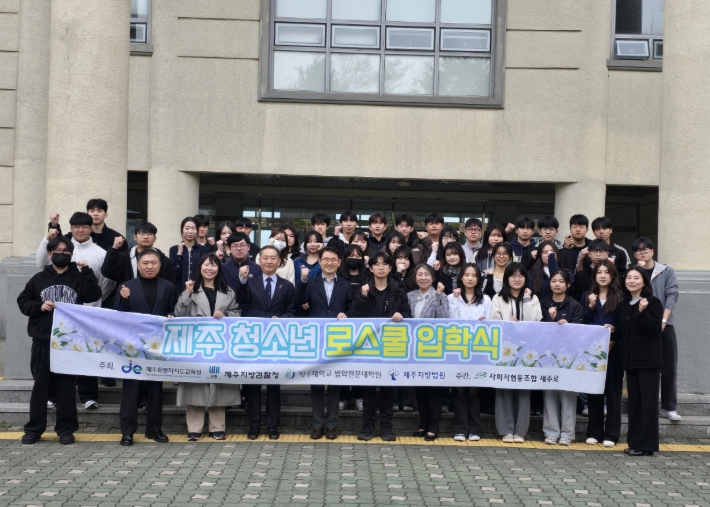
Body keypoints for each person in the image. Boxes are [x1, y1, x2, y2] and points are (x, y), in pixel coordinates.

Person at [18, 235, 102, 445]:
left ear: (71, 254)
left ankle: (66, 429)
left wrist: (87, 271)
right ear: (49, 253)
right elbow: (23, 301)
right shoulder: (38, 279)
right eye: (58, 251)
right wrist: (39, 306)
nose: (62, 255)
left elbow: (93, 295)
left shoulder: (79, 277)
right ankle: (34, 429)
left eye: (66, 252)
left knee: (66, 387)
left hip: (68, 343)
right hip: (42, 341)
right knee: (40, 387)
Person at [36, 212, 115, 409]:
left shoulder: (100, 253)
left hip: (88, 314)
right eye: (76, 226)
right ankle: (52, 396)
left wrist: (91, 301)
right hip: (60, 316)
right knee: (57, 356)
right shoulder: (62, 247)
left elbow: (105, 284)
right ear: (71, 228)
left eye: (85, 226)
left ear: (91, 228)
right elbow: (41, 264)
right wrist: (47, 238)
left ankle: (89, 396)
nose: (80, 230)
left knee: (86, 354)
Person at [174, 254, 241, 441]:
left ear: (219, 269)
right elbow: (179, 314)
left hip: (220, 345)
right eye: (206, 265)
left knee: (219, 384)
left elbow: (237, 312)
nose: (209, 269)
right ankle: (194, 428)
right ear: (199, 267)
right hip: (197, 344)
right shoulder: (190, 288)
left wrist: (226, 316)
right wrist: (187, 294)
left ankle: (217, 427)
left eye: (213, 265)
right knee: (195, 385)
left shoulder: (227, 291)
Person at [114, 249, 176, 446]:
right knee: (131, 389)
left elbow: (173, 310)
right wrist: (123, 299)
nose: (150, 266)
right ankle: (127, 432)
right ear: (138, 265)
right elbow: (117, 316)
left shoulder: (168, 287)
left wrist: (172, 316)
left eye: (154, 263)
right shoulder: (126, 287)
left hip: (157, 347)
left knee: (155, 388)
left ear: (160, 265)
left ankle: (154, 428)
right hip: (133, 347)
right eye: (145, 263)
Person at [350, 252, 412, 442]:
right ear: (370, 268)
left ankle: (386, 427)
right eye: (376, 264)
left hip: (390, 347)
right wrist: (362, 297)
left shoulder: (398, 291)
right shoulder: (363, 289)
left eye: (385, 264)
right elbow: (354, 316)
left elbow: (408, 315)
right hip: (368, 347)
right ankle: (367, 427)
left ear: (390, 268)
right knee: (368, 390)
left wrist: (402, 316)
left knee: (387, 390)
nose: (381, 267)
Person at [237, 246, 296, 440]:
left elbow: (291, 312)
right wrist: (242, 281)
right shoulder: (249, 282)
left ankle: (273, 426)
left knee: (273, 386)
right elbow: (241, 304)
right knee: (253, 385)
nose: (269, 261)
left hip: (275, 343)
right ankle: (254, 426)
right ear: (259, 261)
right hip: (253, 341)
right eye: (265, 258)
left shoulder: (287, 286)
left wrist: (281, 319)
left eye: (273, 258)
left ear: (279, 261)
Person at [297, 246, 352, 440]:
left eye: (333, 259)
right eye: (326, 259)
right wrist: (302, 281)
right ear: (319, 262)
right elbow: (299, 301)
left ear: (339, 262)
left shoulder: (346, 285)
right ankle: (317, 425)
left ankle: (332, 425)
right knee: (317, 384)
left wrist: (346, 314)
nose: (329, 263)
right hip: (317, 339)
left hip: (338, 339)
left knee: (335, 382)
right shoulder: (310, 283)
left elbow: (352, 308)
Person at [490, 262, 543, 443]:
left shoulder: (533, 298)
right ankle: (505, 429)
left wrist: (526, 301)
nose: (517, 279)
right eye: (513, 276)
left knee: (523, 389)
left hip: (527, 351)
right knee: (504, 388)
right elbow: (493, 322)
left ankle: (520, 431)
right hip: (504, 350)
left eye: (521, 276)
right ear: (507, 279)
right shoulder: (498, 298)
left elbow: (535, 321)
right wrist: (508, 325)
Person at [632, 237, 680, 422]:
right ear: (634, 254)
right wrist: (637, 271)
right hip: (640, 326)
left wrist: (663, 319)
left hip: (665, 325)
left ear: (652, 251)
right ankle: (642, 406)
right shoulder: (633, 273)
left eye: (646, 249)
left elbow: (672, 294)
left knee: (669, 366)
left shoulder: (666, 271)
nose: (643, 252)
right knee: (642, 367)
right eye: (639, 250)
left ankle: (668, 407)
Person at [619, 267, 664, 457]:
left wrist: (643, 312)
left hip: (649, 362)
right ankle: (634, 442)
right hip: (631, 361)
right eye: (629, 278)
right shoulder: (624, 304)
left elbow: (655, 329)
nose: (632, 281)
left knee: (648, 405)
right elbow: (623, 331)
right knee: (635, 404)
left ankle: (647, 445)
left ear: (644, 281)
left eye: (636, 278)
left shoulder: (652, 302)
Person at [581, 260, 623, 448]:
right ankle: (594, 431)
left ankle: (612, 434)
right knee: (594, 392)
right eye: (599, 272)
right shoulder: (587, 296)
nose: (603, 275)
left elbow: (623, 324)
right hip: (593, 352)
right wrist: (590, 306)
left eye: (607, 272)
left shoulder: (620, 297)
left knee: (613, 394)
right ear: (594, 275)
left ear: (612, 275)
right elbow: (583, 323)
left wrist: (614, 333)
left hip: (614, 351)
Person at [448, 263, 491, 441]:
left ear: (478, 279)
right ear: (461, 277)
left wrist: (485, 321)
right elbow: (450, 321)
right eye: (466, 275)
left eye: (474, 275)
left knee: (473, 390)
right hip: (458, 351)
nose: (470, 278)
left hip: (477, 352)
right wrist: (456, 300)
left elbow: (492, 324)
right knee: (459, 390)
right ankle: (460, 428)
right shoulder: (452, 297)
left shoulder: (485, 299)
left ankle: (475, 429)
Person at [540, 269, 583, 446]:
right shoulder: (543, 303)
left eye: (561, 281)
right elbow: (536, 330)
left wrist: (567, 325)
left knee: (568, 395)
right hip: (547, 357)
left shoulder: (575, 305)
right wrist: (550, 320)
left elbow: (579, 331)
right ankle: (551, 432)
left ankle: (567, 433)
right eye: (554, 281)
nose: (557, 284)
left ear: (568, 284)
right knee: (549, 395)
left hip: (568, 358)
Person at [408, 264, 449, 441]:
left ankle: (434, 426)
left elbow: (445, 318)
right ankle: (423, 423)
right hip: (415, 349)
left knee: (434, 390)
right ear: (415, 278)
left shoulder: (440, 295)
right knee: (420, 389)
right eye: (420, 274)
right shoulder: (410, 296)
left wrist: (439, 295)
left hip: (433, 349)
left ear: (433, 278)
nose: (423, 278)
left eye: (427, 275)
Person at [336, 243, 369, 412]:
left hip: (362, 326)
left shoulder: (368, 277)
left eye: (357, 256)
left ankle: (359, 396)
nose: (354, 259)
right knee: (342, 362)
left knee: (359, 362)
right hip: (342, 325)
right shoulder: (339, 277)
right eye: (350, 255)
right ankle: (343, 396)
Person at [101, 221, 176, 287]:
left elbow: (171, 285)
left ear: (155, 238)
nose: (146, 237)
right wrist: (114, 249)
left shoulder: (164, 260)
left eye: (149, 234)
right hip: (128, 297)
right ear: (135, 237)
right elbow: (108, 273)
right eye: (142, 233)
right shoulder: (124, 257)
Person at [169, 217, 211, 292]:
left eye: (193, 228)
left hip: (199, 291)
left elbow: (207, 272)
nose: (190, 231)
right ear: (182, 230)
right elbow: (174, 274)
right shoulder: (174, 250)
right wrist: (179, 254)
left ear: (197, 230)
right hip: (179, 291)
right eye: (187, 228)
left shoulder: (204, 250)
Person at [570, 239, 609, 303]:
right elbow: (575, 299)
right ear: (589, 254)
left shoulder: (612, 274)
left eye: (601, 251)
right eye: (595, 251)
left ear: (607, 254)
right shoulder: (580, 276)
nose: (598, 254)